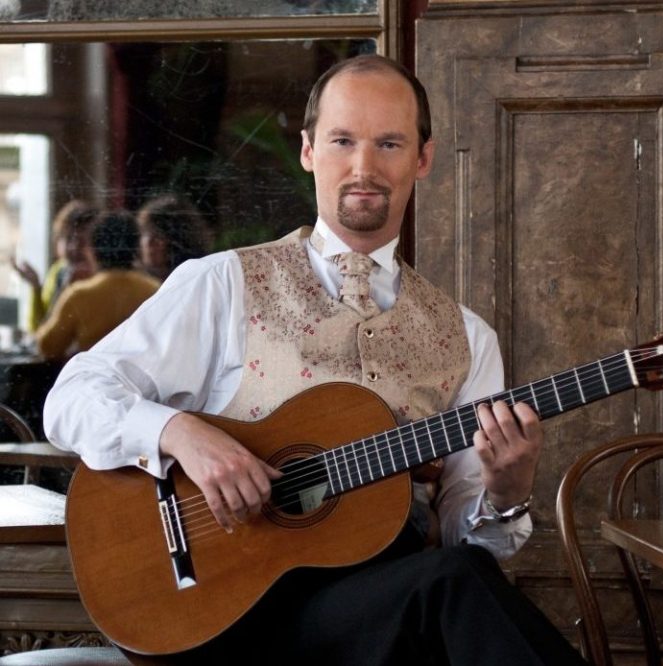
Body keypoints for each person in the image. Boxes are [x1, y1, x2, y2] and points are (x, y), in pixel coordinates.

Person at [44, 55, 585, 664]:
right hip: (220, 612)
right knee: (455, 585)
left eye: (389, 143)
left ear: (422, 159)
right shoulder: (223, 283)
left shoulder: (467, 337)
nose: (364, 167)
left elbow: (469, 537)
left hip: (374, 619)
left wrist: (505, 492)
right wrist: (180, 432)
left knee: (457, 577)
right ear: (308, 151)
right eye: (342, 140)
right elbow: (72, 396)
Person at [36, 209, 160, 360]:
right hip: (142, 382)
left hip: (93, 380)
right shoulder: (155, 291)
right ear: (137, 248)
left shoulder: (79, 294)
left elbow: (48, 347)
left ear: (92, 249)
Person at [12, 199, 98, 331]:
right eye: (68, 238)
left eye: (82, 241)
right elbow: (40, 328)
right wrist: (35, 286)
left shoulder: (99, 277)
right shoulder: (58, 272)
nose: (74, 247)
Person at [136, 193, 212, 281]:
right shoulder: (136, 284)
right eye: (145, 232)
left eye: (158, 235)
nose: (149, 242)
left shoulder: (200, 279)